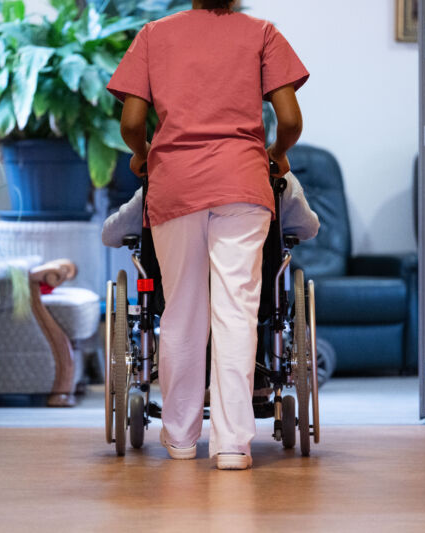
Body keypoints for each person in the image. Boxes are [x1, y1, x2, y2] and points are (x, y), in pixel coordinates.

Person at [107, 0, 308, 470]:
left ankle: (178, 438)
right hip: (242, 183)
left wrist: (143, 154)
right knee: (237, 310)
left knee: (180, 310)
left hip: (175, 183)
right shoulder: (262, 33)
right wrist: (277, 153)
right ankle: (234, 445)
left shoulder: (154, 35)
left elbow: (132, 123)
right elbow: (292, 120)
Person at [101, 172, 319, 248]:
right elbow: (308, 228)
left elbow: (112, 234)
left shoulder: (167, 177)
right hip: (258, 293)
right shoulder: (279, 178)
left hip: (173, 291)